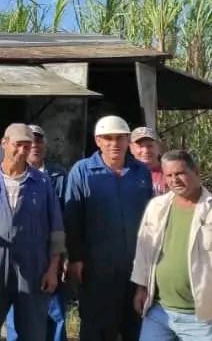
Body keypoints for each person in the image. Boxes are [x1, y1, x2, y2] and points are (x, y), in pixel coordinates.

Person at [132, 150, 212, 340]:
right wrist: (140, 288)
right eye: (169, 175)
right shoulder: (156, 207)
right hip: (159, 311)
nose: (175, 180)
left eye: (180, 173)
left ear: (196, 172)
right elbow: (144, 251)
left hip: (205, 318)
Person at [0, 123, 64, 341]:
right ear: (4, 143)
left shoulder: (41, 182)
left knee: (33, 331)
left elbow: (56, 229)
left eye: (27, 145)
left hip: (33, 265)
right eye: (18, 145)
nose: (23, 151)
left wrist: (53, 269)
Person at [64, 115, 152, 340]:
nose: (115, 144)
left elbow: (151, 218)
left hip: (135, 265)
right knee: (96, 325)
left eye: (120, 138)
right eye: (108, 138)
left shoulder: (141, 172)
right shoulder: (82, 171)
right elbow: (72, 218)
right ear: (98, 141)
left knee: (134, 323)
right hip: (96, 267)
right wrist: (75, 258)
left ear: (128, 141)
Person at [6, 124, 69, 341]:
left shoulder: (58, 176)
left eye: (38, 140)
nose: (33, 145)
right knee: (18, 315)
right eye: (27, 141)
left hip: (49, 255)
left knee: (55, 313)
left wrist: (62, 258)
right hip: (18, 258)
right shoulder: (4, 177)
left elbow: (63, 219)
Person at [131, 127, 167, 196]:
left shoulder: (170, 172)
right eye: (140, 146)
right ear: (131, 149)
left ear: (158, 147)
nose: (146, 151)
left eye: (150, 146)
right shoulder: (125, 174)